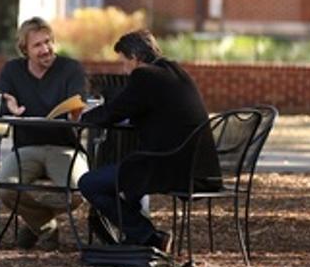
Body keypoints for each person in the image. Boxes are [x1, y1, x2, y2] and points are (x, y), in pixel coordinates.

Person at [79, 29, 221, 252]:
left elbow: (113, 112)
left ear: (135, 59)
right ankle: (137, 237)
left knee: (89, 183)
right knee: (131, 173)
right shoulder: (176, 71)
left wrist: (83, 117)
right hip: (199, 168)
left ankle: (149, 236)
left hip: (169, 166)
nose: (124, 70)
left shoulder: (144, 76)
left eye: (124, 62)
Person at [0, 17, 88, 250]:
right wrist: (9, 107)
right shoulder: (13, 69)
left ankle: (34, 224)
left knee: (78, 192)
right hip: (26, 147)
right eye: (37, 45)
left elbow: (78, 103)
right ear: (24, 49)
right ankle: (46, 227)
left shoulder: (70, 68)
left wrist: (77, 113)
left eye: (48, 42)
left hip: (64, 147)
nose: (45, 49)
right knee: (4, 189)